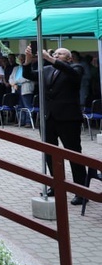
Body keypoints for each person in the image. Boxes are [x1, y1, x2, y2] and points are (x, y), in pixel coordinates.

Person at [23, 46, 86, 205]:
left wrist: (51, 58)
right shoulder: (47, 69)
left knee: (73, 153)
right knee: (50, 154)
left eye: (61, 54)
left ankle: (82, 191)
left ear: (69, 58)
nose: (56, 55)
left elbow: (71, 74)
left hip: (68, 118)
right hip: (49, 117)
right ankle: (56, 185)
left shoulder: (76, 68)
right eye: (55, 53)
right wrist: (28, 60)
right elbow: (28, 75)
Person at [9, 54, 35, 126]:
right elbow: (10, 77)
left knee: (27, 105)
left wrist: (15, 82)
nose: (21, 60)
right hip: (16, 88)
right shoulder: (15, 68)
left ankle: (28, 122)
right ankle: (21, 121)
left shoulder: (29, 67)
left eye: (22, 59)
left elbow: (26, 77)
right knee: (19, 105)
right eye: (19, 59)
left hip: (25, 88)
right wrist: (13, 84)